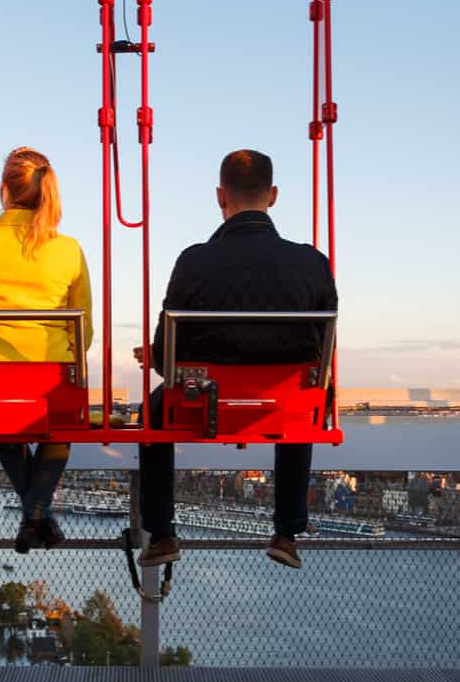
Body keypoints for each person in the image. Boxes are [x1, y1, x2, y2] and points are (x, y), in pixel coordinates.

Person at [134, 149, 338, 571]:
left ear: (219, 196)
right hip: (283, 402)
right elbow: (322, 349)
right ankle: (287, 529)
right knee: (307, 397)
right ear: (274, 195)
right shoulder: (312, 262)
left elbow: (166, 355)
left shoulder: (194, 261)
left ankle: (162, 532)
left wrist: (154, 358)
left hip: (204, 402)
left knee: (152, 414)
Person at [0, 147, 93, 552]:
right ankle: (36, 515)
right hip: (53, 371)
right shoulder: (68, 250)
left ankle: (35, 515)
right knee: (60, 426)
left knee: (2, 420)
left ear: (4, 189)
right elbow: (84, 330)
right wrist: (61, 353)